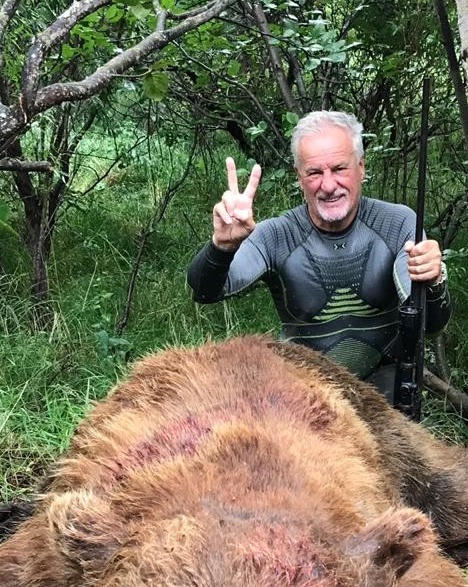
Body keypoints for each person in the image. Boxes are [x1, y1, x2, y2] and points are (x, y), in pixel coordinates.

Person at [186, 110, 450, 398]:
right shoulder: (277, 235)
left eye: (339, 169)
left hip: (385, 387)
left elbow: (431, 325)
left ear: (361, 167)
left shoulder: (397, 223)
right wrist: (221, 247)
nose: (328, 185)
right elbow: (204, 291)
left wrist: (432, 279)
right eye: (314, 173)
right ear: (299, 177)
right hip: (303, 391)